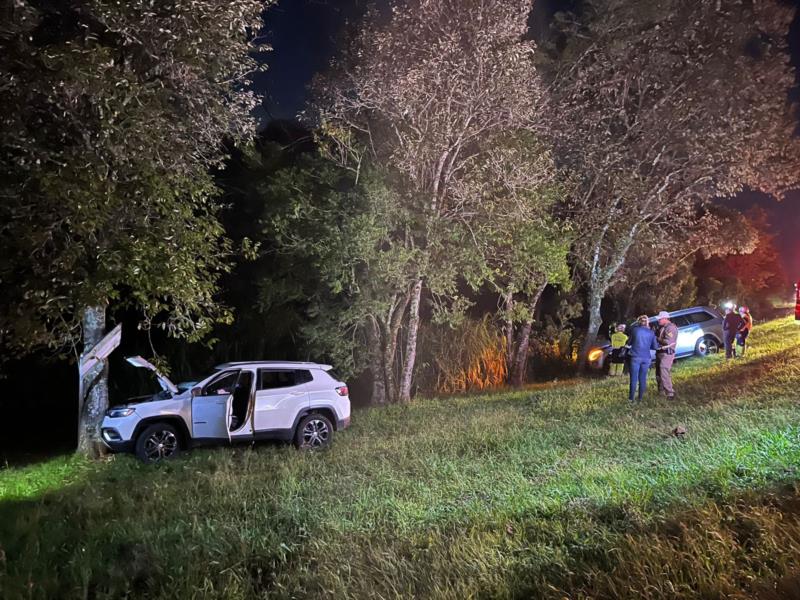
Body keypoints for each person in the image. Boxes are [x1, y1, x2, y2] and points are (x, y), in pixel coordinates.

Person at [627, 314, 658, 404]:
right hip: (646, 358)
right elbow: (655, 347)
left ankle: (631, 399)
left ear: (638, 322)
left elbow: (629, 342)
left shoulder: (635, 330)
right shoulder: (651, 333)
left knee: (633, 378)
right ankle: (640, 398)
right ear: (647, 322)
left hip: (635, 356)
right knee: (643, 378)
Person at [655, 310, 678, 399]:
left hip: (667, 353)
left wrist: (657, 339)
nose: (658, 321)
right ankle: (661, 391)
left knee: (664, 370)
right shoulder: (662, 327)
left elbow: (668, 341)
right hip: (660, 352)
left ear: (665, 318)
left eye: (660, 319)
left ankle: (670, 392)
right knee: (658, 372)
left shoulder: (670, 328)